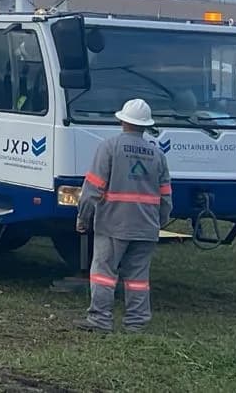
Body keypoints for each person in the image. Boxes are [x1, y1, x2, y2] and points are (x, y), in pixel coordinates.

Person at [74, 98, 172, 333]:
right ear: (146, 125)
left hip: (113, 224)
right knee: (138, 278)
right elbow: (166, 197)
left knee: (104, 274)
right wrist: (160, 222)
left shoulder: (109, 148)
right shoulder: (158, 155)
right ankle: (136, 324)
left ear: (121, 121)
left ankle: (100, 321)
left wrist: (83, 217)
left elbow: (92, 189)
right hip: (146, 227)